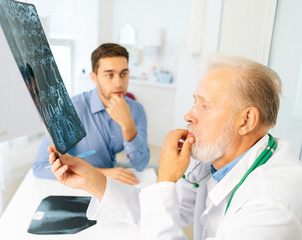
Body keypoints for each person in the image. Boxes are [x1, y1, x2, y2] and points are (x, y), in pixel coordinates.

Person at [48, 53, 302, 239]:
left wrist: (166, 178)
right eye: (195, 102)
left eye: (204, 105)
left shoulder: (269, 205)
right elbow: (154, 209)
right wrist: (92, 179)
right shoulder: (215, 164)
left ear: (246, 120)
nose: (189, 115)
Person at [33, 43, 150, 185]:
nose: (119, 82)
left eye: (123, 74)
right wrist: (101, 173)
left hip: (111, 187)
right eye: (109, 75)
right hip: (80, 186)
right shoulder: (72, 109)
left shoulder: (136, 110)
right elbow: (40, 166)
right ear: (94, 77)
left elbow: (140, 164)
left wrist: (128, 126)